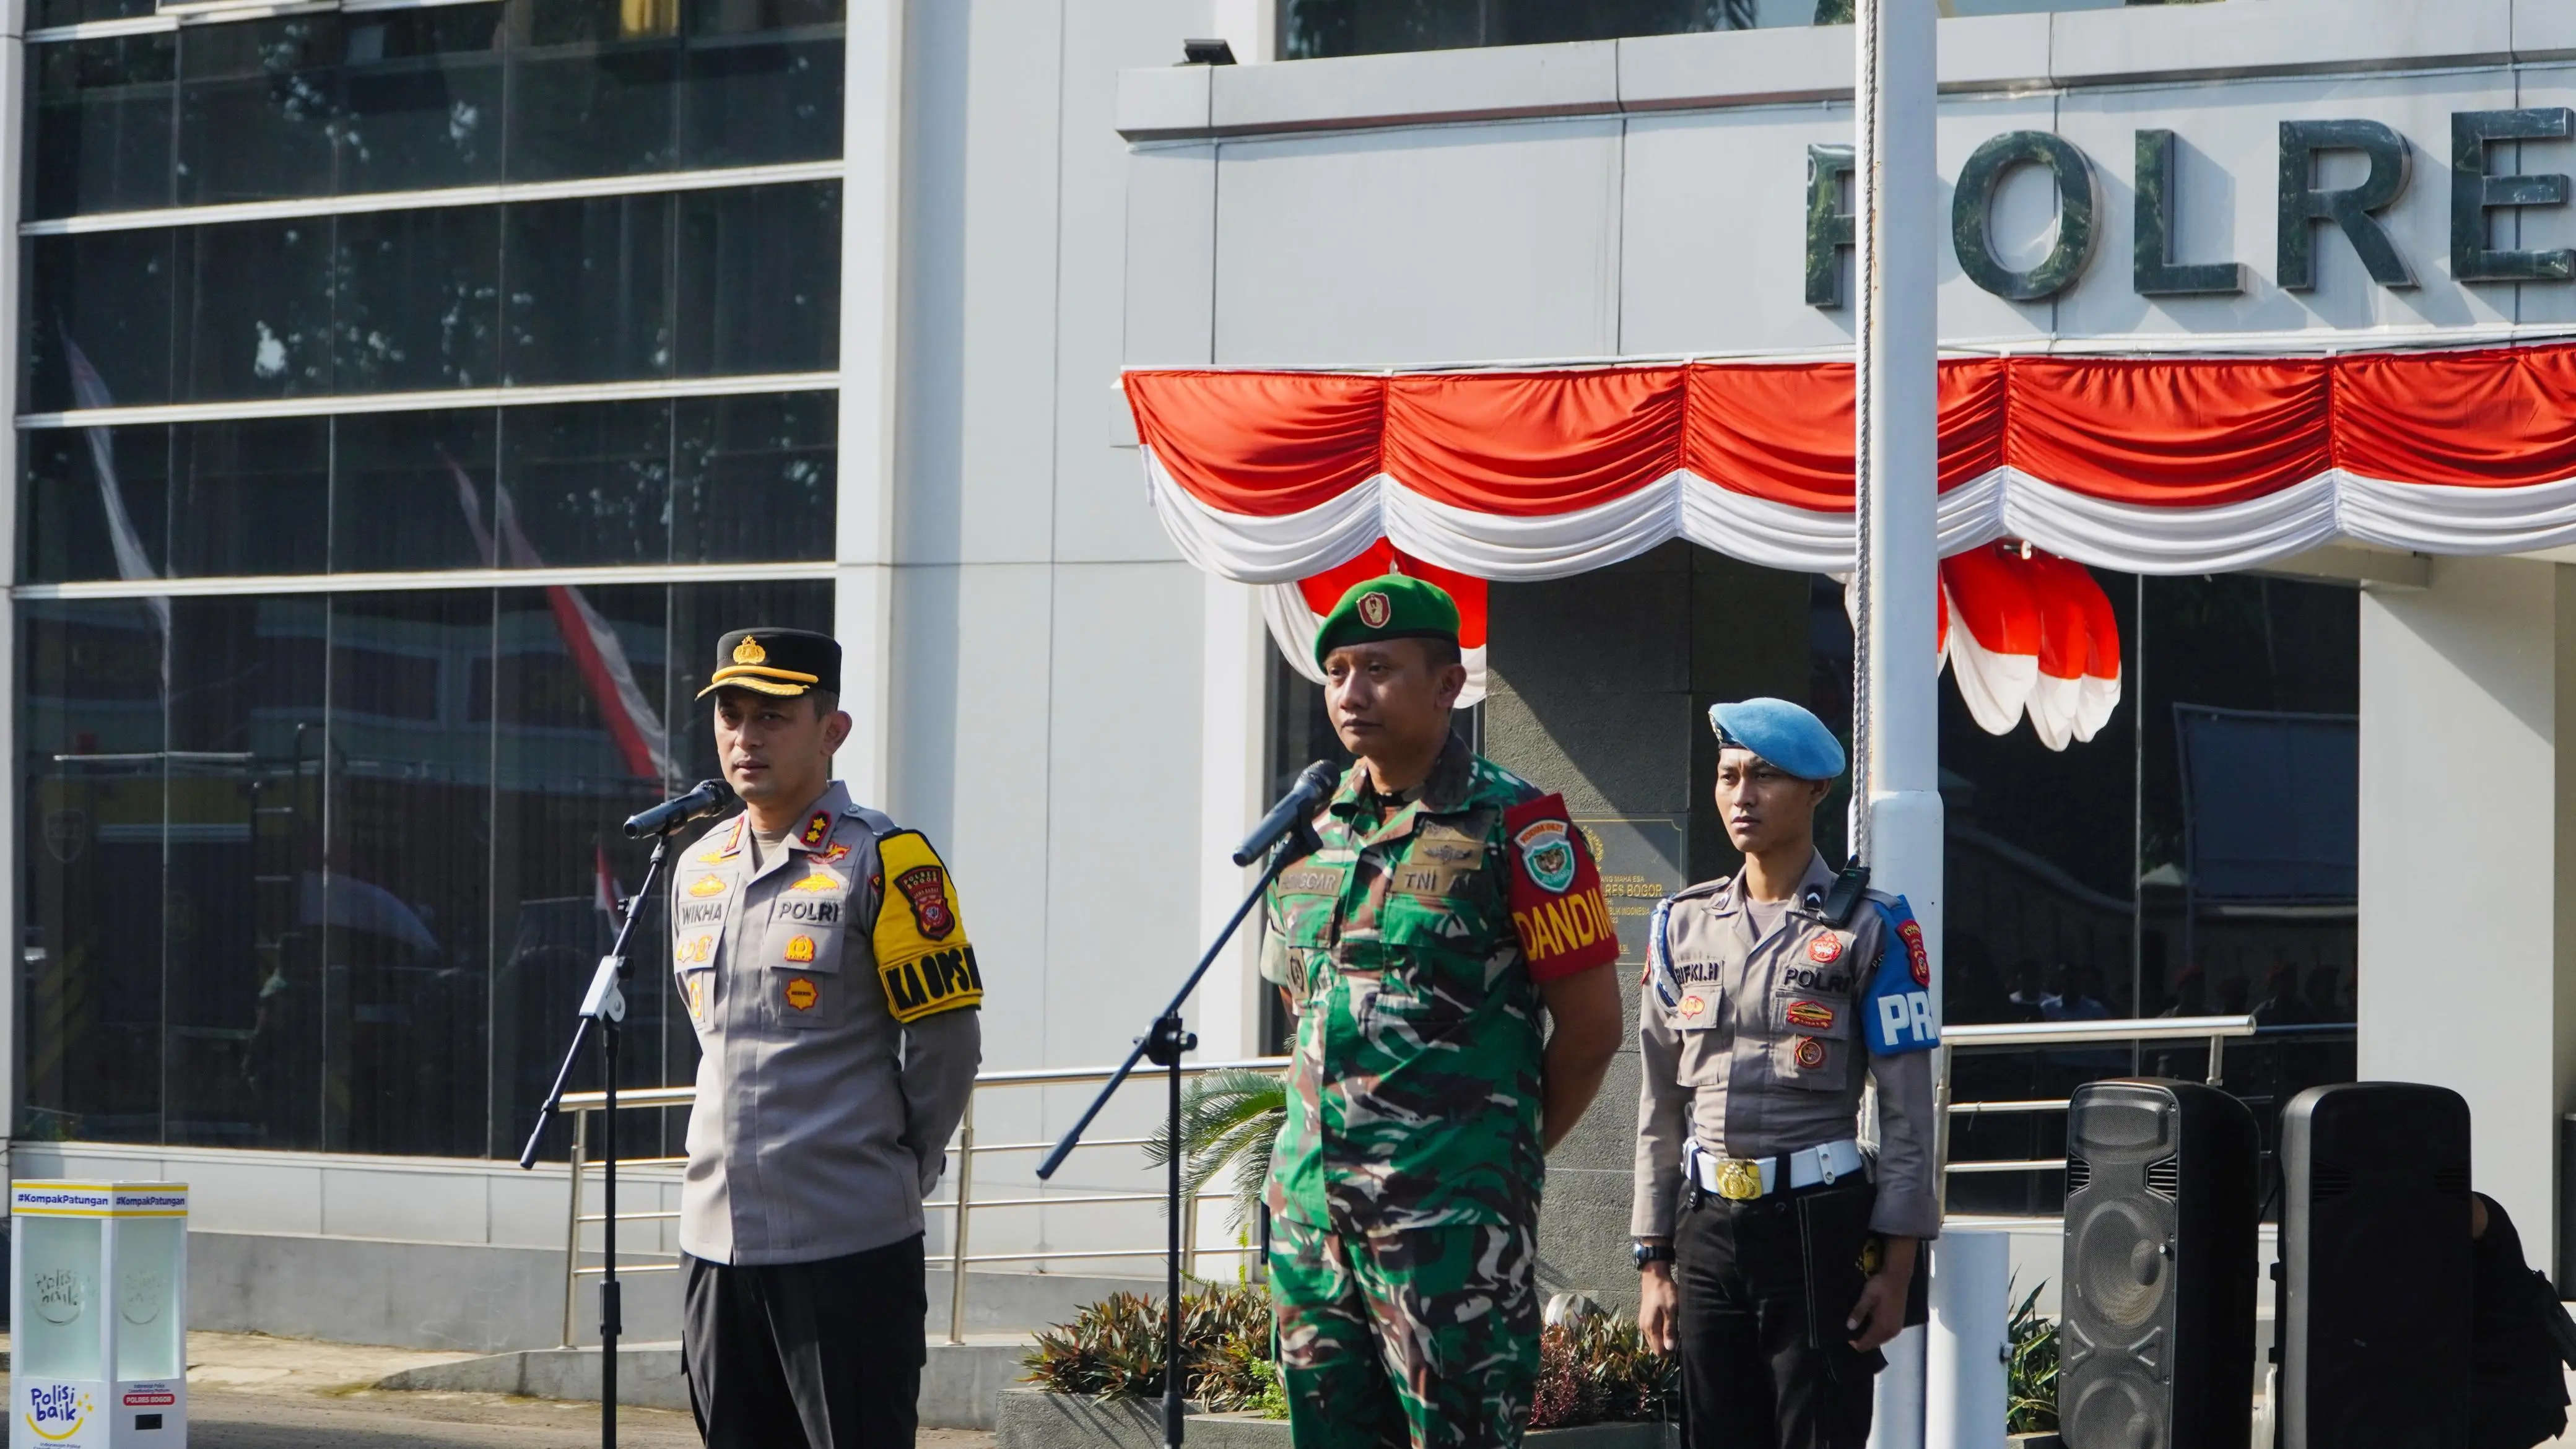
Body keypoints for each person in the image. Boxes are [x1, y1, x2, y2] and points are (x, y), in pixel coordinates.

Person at [1261, 574, 1627, 1449]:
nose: (1352, 693)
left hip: (1452, 1222)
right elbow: (1300, 1003)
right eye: (1340, 669)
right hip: (1314, 1216)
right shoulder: (1313, 830)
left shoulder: (1520, 826)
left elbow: (1592, 1030)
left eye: (1380, 668)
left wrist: (1494, 1165)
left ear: (1447, 686)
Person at [671, 627, 983, 1448]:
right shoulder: (696, 867)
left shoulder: (886, 861)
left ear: (831, 729)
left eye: (773, 716)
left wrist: (895, 1163)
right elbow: (714, 1034)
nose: (747, 738)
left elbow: (947, 1047)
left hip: (846, 1242)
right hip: (715, 1240)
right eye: (731, 716)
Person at [1631, 698, 1941, 1449]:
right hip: (1704, 1228)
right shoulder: (1680, 924)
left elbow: (1907, 1114)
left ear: (1816, 792)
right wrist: (1653, 1259)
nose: (1741, 796)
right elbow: (1658, 1107)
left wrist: (1897, 1267)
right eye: (1728, 775)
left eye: (1764, 777)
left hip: (1816, 1225)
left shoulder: (1872, 926)